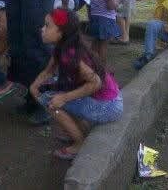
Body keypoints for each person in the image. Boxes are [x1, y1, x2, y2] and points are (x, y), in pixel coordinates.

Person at [30, 9, 122, 160]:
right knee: (56, 91)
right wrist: (34, 86)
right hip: (109, 99)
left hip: (108, 107)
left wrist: (64, 98)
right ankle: (78, 130)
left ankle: (79, 143)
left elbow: (96, 83)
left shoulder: (70, 54)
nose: (42, 29)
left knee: (51, 101)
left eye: (47, 25)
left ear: (61, 32)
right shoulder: (64, 46)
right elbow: (48, 71)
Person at [85, 0, 121, 65]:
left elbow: (89, 5)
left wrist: (90, 19)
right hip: (106, 21)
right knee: (103, 46)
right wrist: (118, 0)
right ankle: (102, 69)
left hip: (95, 19)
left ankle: (91, 65)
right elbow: (111, 6)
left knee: (95, 44)